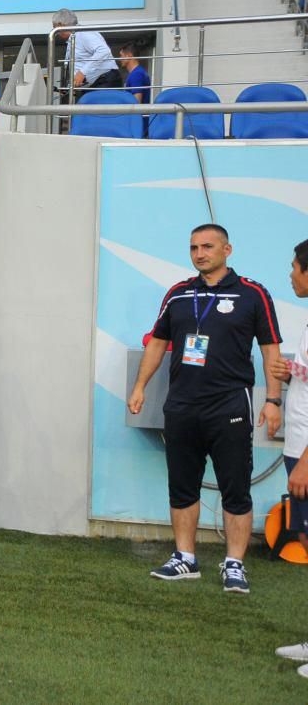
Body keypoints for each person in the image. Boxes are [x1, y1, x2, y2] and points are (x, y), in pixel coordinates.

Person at [128, 224, 283, 594]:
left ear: (227, 249)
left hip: (229, 405)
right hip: (181, 406)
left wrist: (273, 400)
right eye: (194, 247)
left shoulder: (252, 294)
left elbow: (270, 350)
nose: (200, 253)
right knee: (182, 486)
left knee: (236, 488)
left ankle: (234, 564)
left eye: (208, 246)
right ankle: (185, 558)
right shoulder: (179, 294)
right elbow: (157, 343)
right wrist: (139, 387)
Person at [274, 240, 308, 675]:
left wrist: (306, 460)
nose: (292, 275)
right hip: (296, 446)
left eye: (296, 267)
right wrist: (292, 373)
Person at [52, 8, 121, 97]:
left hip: (105, 81)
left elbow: (103, 51)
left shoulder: (84, 33)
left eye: (54, 27)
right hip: (94, 84)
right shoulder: (74, 37)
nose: (56, 33)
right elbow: (79, 65)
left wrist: (82, 72)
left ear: (60, 25)